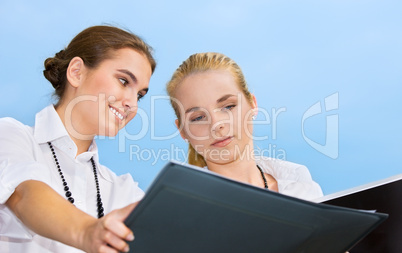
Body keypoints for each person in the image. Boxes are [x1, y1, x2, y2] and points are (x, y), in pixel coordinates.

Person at [0, 25, 156, 252]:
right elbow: (23, 193)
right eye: (124, 81)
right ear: (76, 72)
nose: (132, 103)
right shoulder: (10, 136)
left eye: (140, 95)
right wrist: (87, 232)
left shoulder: (123, 192)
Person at [166, 52, 323, 201]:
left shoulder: (303, 190)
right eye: (198, 117)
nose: (216, 125)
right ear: (182, 131)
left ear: (253, 104)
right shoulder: (178, 210)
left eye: (228, 106)